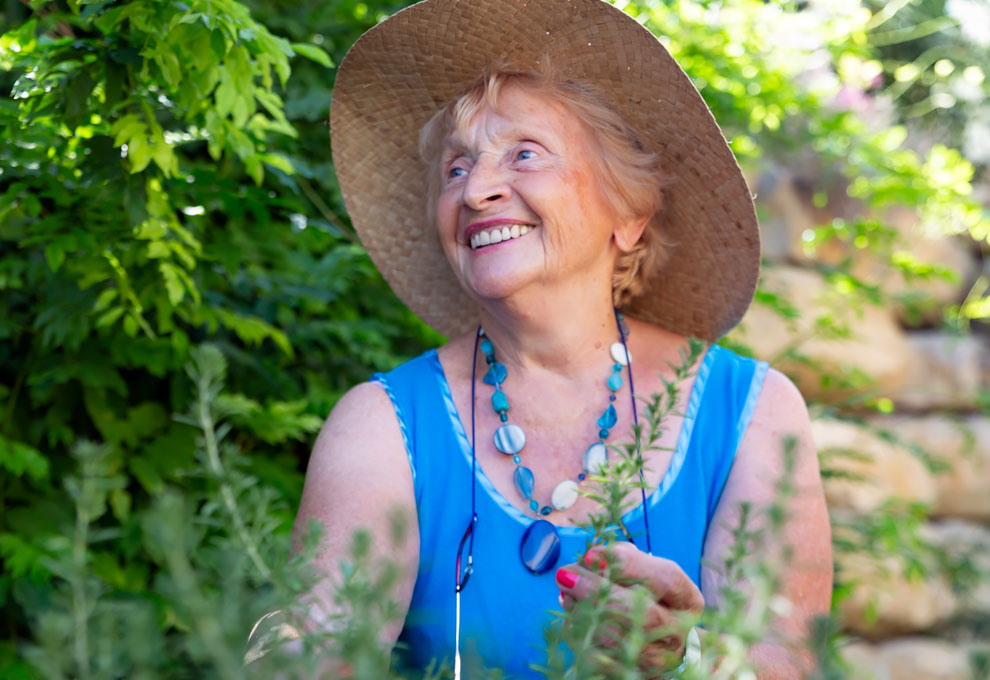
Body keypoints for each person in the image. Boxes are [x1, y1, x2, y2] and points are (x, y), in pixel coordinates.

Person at [293, 0, 832, 676]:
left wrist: (688, 659)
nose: (478, 189)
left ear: (629, 214)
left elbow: (786, 664)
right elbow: (309, 657)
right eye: (456, 169)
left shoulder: (753, 414)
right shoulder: (381, 425)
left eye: (524, 154)